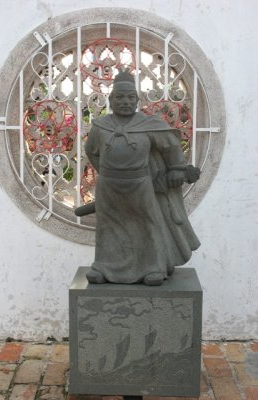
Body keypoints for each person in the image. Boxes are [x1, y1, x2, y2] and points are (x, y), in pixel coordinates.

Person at [84, 70, 200, 285]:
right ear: (111, 100)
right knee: (108, 226)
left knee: (148, 223)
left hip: (140, 185)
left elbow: (171, 145)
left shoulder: (149, 125)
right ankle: (103, 267)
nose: (125, 102)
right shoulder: (101, 126)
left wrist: (175, 169)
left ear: (137, 101)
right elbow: (91, 151)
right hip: (109, 187)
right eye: (119, 97)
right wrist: (107, 172)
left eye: (130, 98)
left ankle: (153, 268)